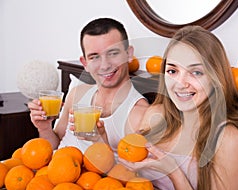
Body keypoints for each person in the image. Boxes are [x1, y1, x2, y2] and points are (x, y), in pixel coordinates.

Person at [119, 25, 238, 190]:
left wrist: (174, 173)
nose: (180, 83)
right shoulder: (155, 115)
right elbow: (125, 184)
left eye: (196, 72)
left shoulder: (227, 139)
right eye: (173, 71)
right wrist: (98, 142)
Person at [28, 18, 149, 153]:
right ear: (85, 63)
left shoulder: (141, 115)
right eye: (94, 57)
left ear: (129, 54)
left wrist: (101, 143)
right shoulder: (76, 94)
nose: (105, 66)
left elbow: (130, 172)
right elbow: (53, 146)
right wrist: (44, 128)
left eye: (113, 53)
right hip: (54, 169)